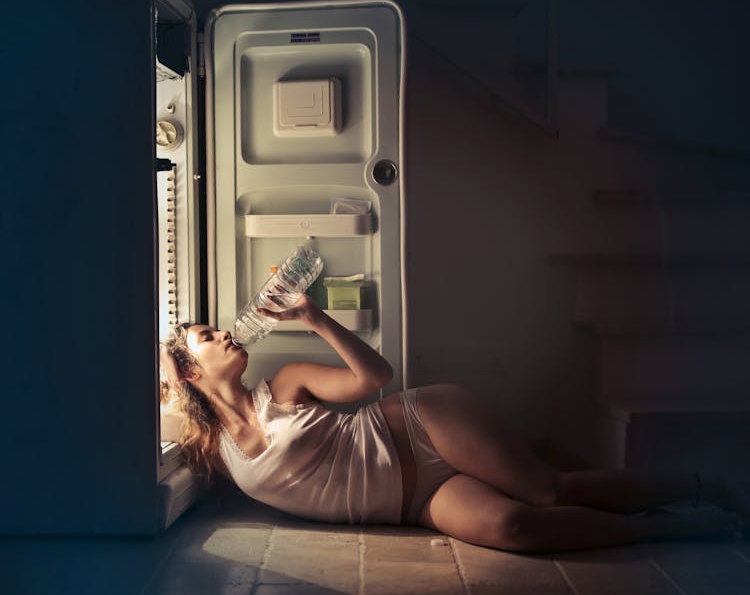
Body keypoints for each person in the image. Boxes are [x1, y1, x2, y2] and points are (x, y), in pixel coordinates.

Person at [159, 295, 749, 553]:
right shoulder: (215, 456)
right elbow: (147, 400)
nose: (223, 333)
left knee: (548, 489)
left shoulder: (283, 383)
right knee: (518, 528)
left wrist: (314, 318)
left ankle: (700, 487)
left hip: (421, 424)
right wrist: (163, 355)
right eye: (206, 338)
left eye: (214, 327)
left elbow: (376, 377)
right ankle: (671, 529)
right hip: (417, 501)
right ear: (186, 374)